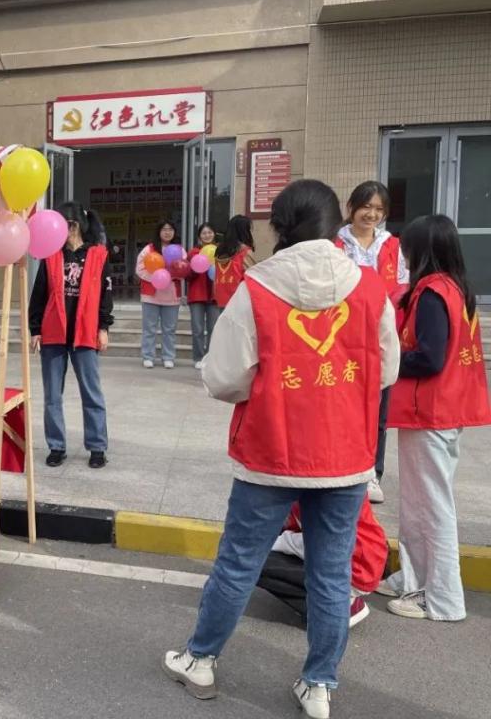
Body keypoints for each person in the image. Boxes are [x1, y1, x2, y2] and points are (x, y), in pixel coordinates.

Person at [162, 180, 399, 719]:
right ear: (337, 223)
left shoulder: (258, 288)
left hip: (271, 452)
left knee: (237, 564)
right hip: (345, 456)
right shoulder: (367, 288)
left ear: (280, 227)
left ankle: (201, 659)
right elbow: (386, 369)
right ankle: (319, 685)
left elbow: (224, 377)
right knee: (331, 575)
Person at [379, 215, 491, 622]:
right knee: (417, 505)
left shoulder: (431, 293)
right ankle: (414, 578)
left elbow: (429, 358)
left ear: (422, 250)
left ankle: (442, 598)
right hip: (437, 411)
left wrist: (386, 359)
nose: (403, 256)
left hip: (431, 412)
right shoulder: (454, 287)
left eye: (407, 248)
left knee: (431, 507)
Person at [334, 181, 409, 505]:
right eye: (366, 206)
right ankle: (341, 463)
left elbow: (403, 285)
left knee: (379, 410)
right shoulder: (336, 243)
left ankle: (371, 473)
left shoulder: (393, 245)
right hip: (343, 334)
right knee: (343, 405)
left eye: (379, 209)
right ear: (351, 207)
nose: (372, 214)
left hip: (380, 334)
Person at [29, 201, 113, 469]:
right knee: (52, 395)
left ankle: (97, 447)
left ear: (74, 226)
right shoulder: (51, 256)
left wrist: (103, 328)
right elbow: (39, 293)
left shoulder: (98, 255)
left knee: (92, 393)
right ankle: (56, 446)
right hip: (54, 333)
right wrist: (35, 329)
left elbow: (105, 296)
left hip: (85, 333)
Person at [256, 499, 388, 629]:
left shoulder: (315, 497)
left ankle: (336, 607)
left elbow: (319, 542)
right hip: (363, 561)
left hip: (355, 570)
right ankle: (334, 600)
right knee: (263, 545)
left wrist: (273, 543)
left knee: (257, 561)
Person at [135, 220, 185, 369]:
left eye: (170, 229)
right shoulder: (149, 249)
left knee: (169, 329)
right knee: (149, 328)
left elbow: (185, 269)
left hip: (171, 296)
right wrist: (157, 278)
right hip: (151, 296)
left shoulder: (180, 250)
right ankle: (148, 356)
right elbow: (140, 269)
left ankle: (168, 357)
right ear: (159, 232)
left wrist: (174, 276)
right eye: (164, 229)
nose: (167, 232)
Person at [187, 223, 219, 370]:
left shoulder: (220, 251)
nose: (207, 235)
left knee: (213, 329)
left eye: (209, 232)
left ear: (214, 234)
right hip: (197, 295)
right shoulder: (194, 252)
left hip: (214, 296)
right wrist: (197, 266)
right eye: (204, 233)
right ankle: (198, 357)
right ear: (199, 236)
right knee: (198, 329)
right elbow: (187, 275)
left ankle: (210, 357)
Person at [212, 214, 255, 309]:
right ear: (244, 231)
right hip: (239, 299)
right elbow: (252, 276)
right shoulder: (245, 251)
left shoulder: (219, 250)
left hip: (221, 297)